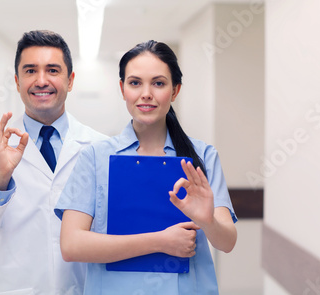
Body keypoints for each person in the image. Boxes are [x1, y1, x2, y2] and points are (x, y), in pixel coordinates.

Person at [54, 40, 238, 294]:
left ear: (175, 91)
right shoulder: (95, 158)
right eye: (135, 82)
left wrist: (207, 221)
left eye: (159, 83)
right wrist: (160, 242)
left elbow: (226, 243)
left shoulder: (202, 157)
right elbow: (71, 245)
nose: (146, 93)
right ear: (122, 89)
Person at [0, 30, 107, 294]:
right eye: (30, 71)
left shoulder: (100, 148)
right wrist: (0, 177)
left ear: (70, 80)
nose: (41, 81)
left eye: (52, 70)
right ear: (17, 81)